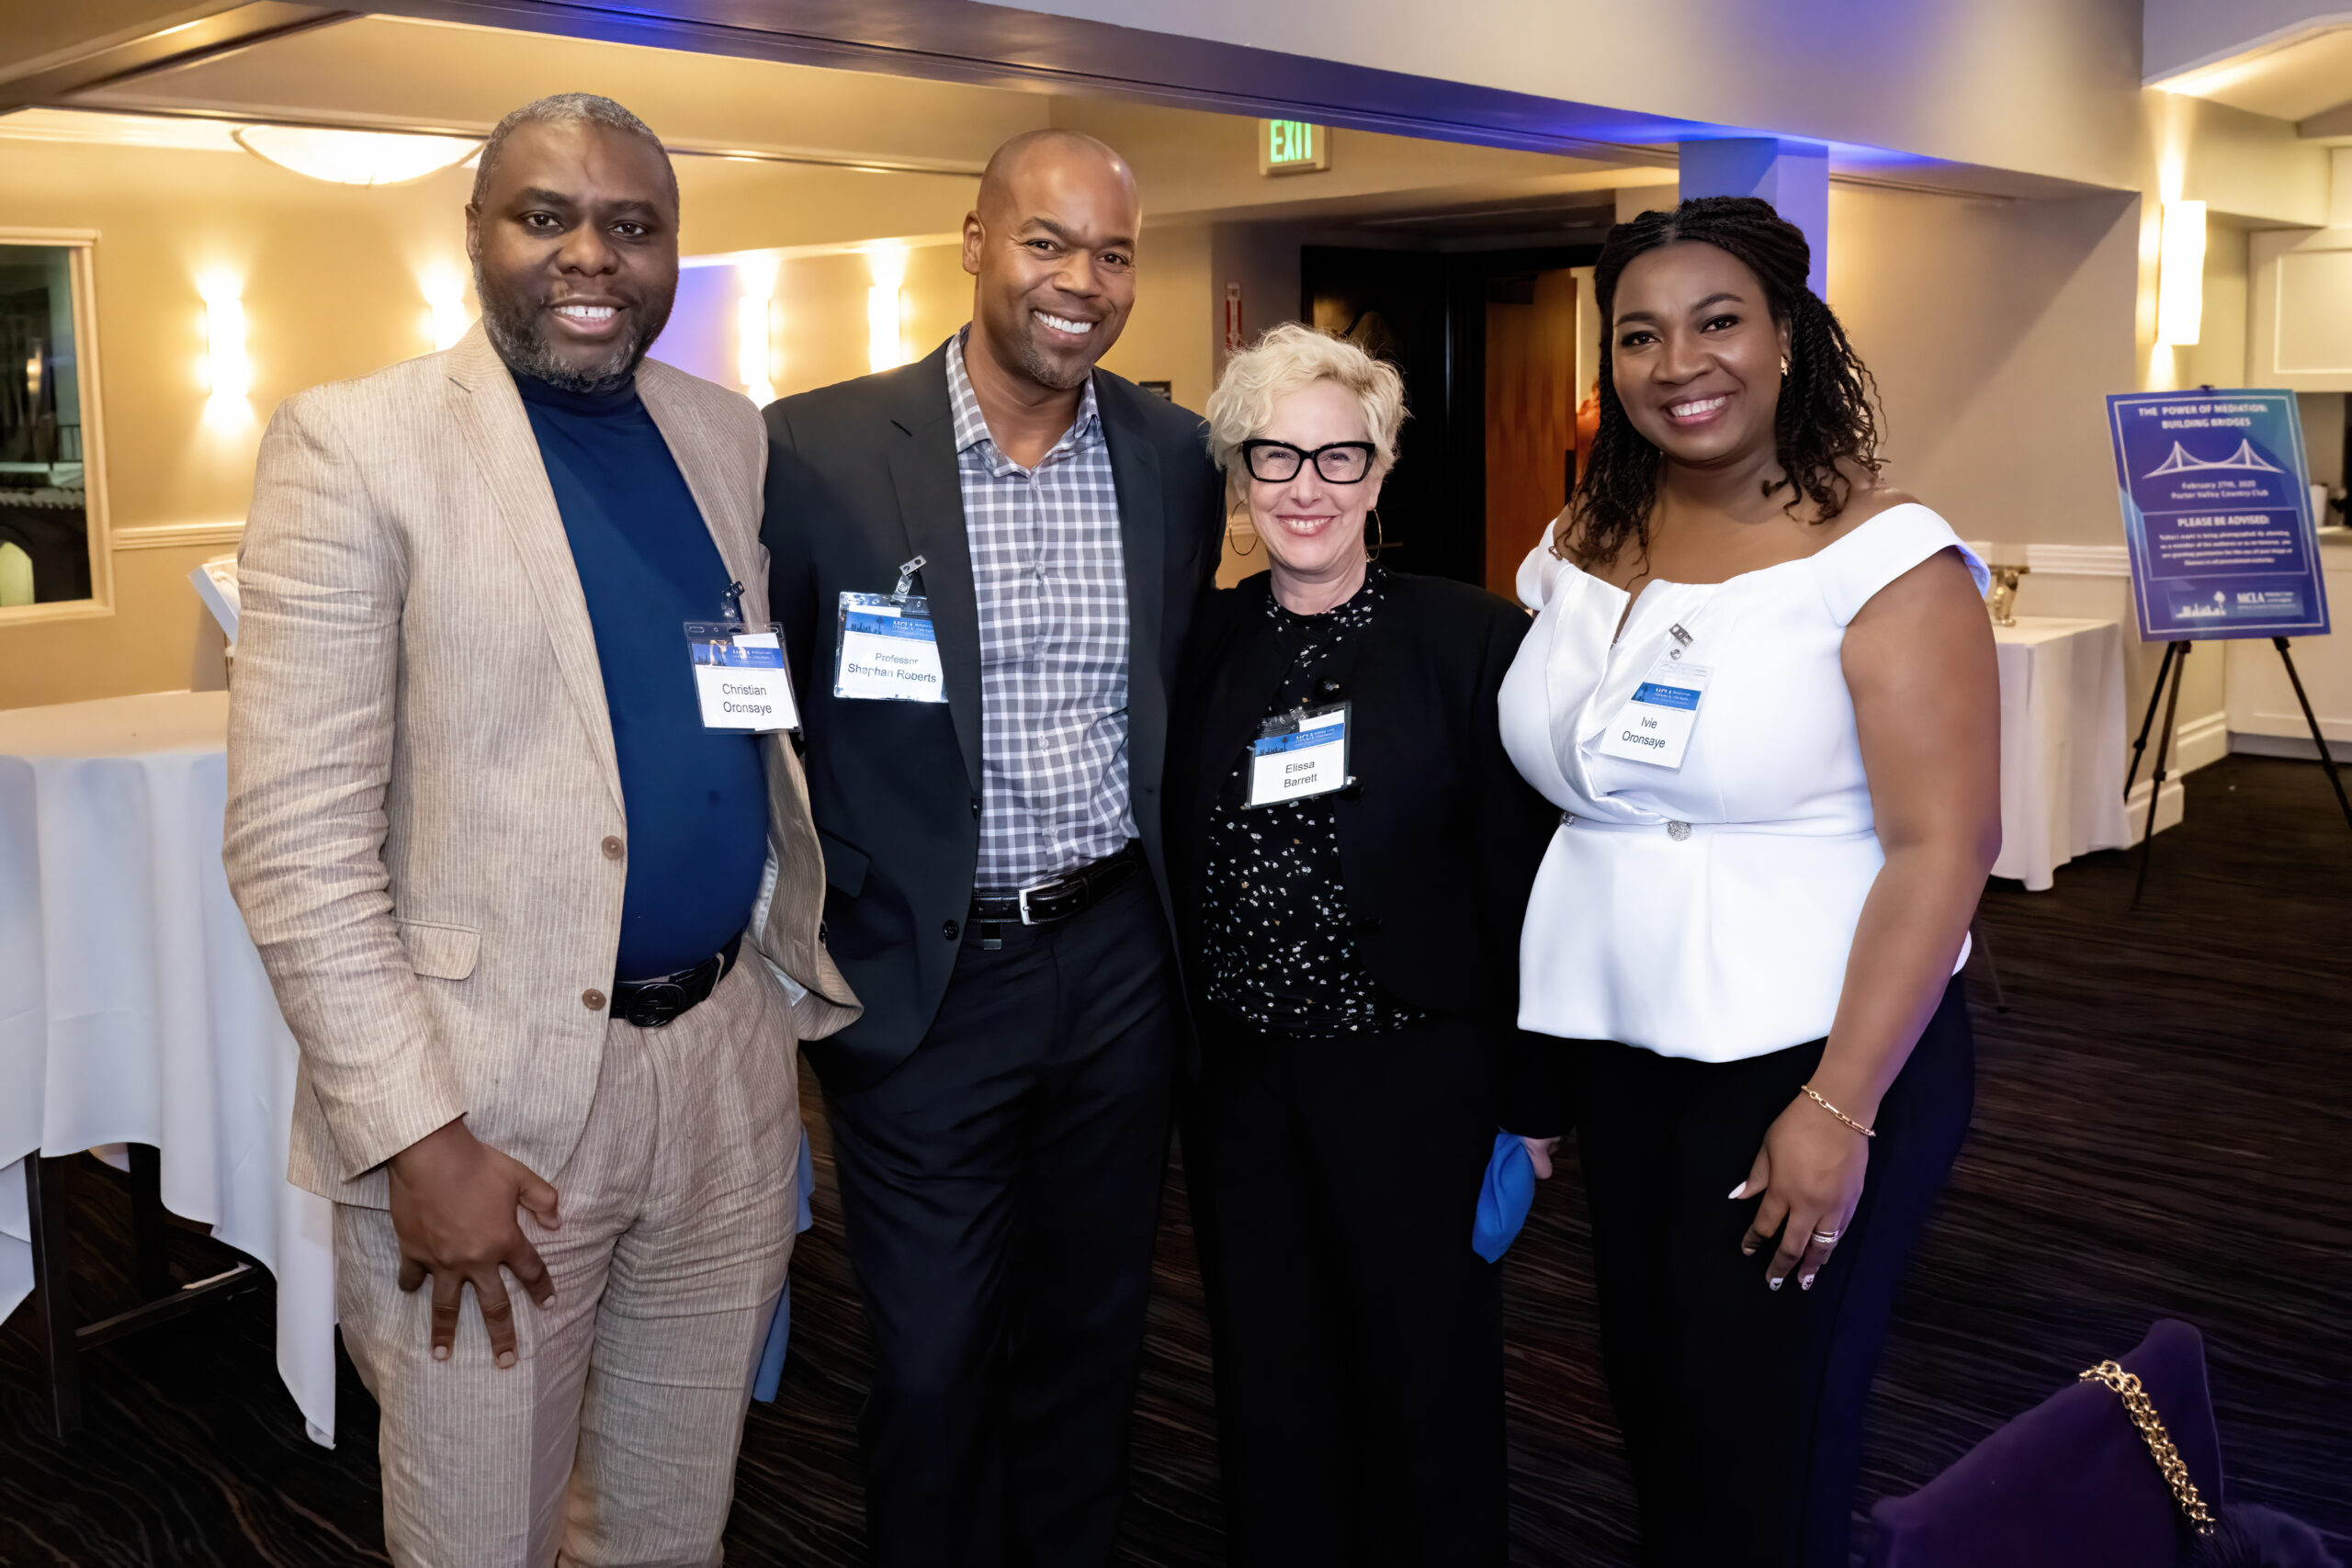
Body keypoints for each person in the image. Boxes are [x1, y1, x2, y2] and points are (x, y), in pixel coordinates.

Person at [224, 93, 856, 1566]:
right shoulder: (353, 445)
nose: (591, 256)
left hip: (723, 1076)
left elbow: (737, 707)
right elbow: (295, 844)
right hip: (486, 1104)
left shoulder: (722, 434)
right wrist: (417, 1136)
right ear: (476, 235)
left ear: (673, 251)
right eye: (546, 217)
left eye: (633, 226)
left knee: (669, 1531)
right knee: (479, 1538)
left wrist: (769, 1010)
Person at [1499, 194, 2000, 1567]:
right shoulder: (1582, 542)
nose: (1680, 363)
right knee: (1654, 1392)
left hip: (1818, 1050)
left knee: (1765, 1428)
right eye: (1640, 335)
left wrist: (1839, 1106)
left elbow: (1946, 846)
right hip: (1623, 1046)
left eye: (1718, 322)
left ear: (1788, 336)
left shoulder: (1884, 558)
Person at [758, 129, 1224, 1565]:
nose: (1081, 282)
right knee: (931, 1360)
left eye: (1113, 253)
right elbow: (763, 708)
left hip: (1120, 962)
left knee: (1093, 1333)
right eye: (1045, 242)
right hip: (924, 977)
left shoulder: (1175, 456)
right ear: (973, 243)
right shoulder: (819, 449)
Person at [1166, 322, 1557, 1563]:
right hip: (1245, 1085)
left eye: (1341, 457)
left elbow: (1527, 882)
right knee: (1268, 1362)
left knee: (1421, 1370)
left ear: (1382, 472)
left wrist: (1533, 1101)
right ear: (1239, 476)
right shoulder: (1202, 644)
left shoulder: (1471, 642)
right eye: (1275, 457)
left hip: (1415, 1077)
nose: (1307, 488)